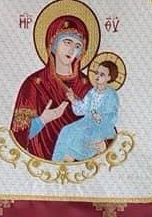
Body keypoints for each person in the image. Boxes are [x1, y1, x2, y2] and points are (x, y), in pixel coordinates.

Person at [9, 15, 92, 160]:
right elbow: (18, 135)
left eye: (78, 46)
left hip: (78, 164)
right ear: (53, 43)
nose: (72, 50)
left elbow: (101, 124)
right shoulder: (34, 84)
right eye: (67, 42)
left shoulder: (86, 85)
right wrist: (42, 120)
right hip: (40, 165)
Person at [51, 60, 119, 162]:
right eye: (97, 73)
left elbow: (112, 116)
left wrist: (99, 117)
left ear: (109, 78)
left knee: (79, 134)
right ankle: (58, 160)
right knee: (66, 130)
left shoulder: (111, 94)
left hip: (101, 126)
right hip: (86, 122)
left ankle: (71, 158)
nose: (98, 76)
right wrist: (72, 99)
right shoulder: (92, 92)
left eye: (102, 74)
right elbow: (82, 109)